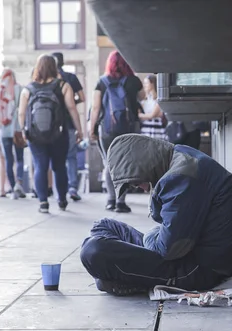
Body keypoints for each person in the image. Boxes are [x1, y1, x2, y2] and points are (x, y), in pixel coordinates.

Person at [80, 134, 232, 295]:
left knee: (92, 251)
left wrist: (150, 236)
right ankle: (123, 275)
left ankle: (129, 278)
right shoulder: (179, 157)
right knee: (103, 225)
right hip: (188, 253)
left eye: (136, 182)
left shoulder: (181, 178)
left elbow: (168, 249)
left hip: (198, 269)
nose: (140, 188)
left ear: (144, 164)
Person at [18, 54, 83, 213]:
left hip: (35, 135)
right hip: (59, 133)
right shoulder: (63, 86)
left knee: (40, 166)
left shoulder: (28, 89)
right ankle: (61, 200)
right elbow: (72, 108)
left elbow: (21, 113)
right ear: (54, 67)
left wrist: (23, 131)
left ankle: (43, 203)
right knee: (59, 167)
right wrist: (79, 129)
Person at [89, 50, 144, 213]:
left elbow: (96, 108)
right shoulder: (134, 81)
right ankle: (121, 202)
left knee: (109, 163)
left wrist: (92, 128)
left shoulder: (102, 82)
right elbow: (142, 97)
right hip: (129, 128)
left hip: (107, 129)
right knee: (125, 164)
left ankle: (110, 200)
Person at [52, 52, 85, 202]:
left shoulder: (48, 80)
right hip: (69, 122)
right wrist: (70, 101)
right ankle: (72, 187)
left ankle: (58, 189)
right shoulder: (70, 78)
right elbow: (82, 98)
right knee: (71, 156)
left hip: (51, 124)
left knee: (56, 157)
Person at [0, 68, 26, 200]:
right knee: (19, 158)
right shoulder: (19, 89)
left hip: (3, 129)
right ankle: (19, 183)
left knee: (8, 159)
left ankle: (12, 189)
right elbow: (22, 109)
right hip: (17, 129)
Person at [139, 74, 167, 141]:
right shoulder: (144, 101)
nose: (144, 85)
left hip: (157, 131)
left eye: (146, 83)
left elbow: (152, 115)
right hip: (146, 131)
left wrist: (142, 115)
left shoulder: (158, 100)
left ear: (152, 83)